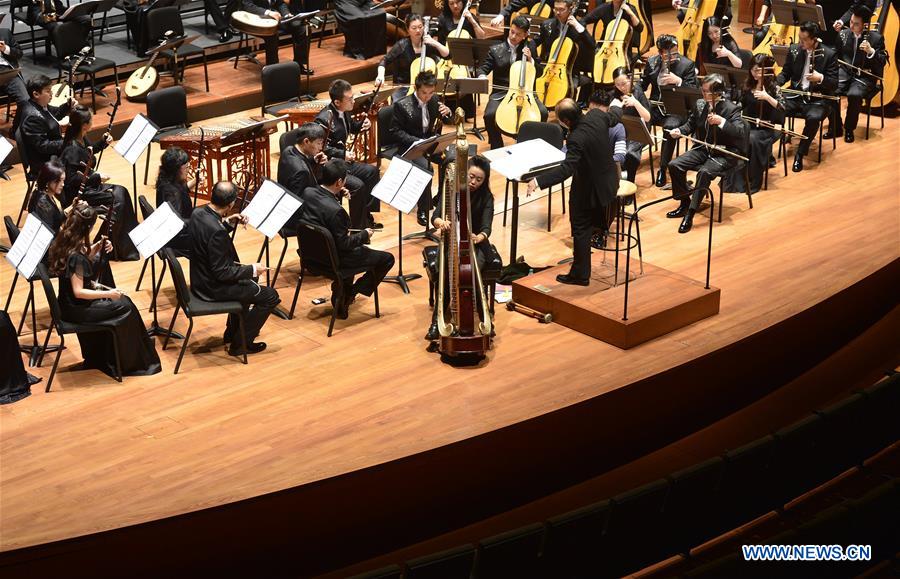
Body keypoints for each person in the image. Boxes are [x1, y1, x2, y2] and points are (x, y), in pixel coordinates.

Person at [47, 203, 161, 378]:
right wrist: (109, 293)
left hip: (70, 304)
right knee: (126, 306)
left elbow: (82, 262)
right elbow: (79, 291)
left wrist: (97, 246)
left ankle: (130, 352)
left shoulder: (66, 240)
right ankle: (128, 361)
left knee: (125, 302)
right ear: (87, 227)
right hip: (77, 310)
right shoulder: (75, 255)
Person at [526, 98, 623, 285]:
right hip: (610, 180)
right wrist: (619, 104)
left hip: (593, 187)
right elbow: (615, 115)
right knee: (584, 222)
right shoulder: (597, 115)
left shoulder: (576, 138)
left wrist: (538, 180)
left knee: (580, 226)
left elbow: (566, 170)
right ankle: (595, 234)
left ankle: (580, 274)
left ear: (566, 121)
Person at [188, 181, 281, 356]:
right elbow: (222, 272)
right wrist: (252, 268)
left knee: (249, 282)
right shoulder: (217, 232)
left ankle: (232, 333)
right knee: (270, 296)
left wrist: (227, 223)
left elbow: (208, 236)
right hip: (212, 288)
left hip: (200, 278)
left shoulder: (198, 212)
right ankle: (241, 344)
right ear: (231, 204)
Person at [299, 160, 394, 320]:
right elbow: (344, 244)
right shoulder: (337, 212)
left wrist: (336, 194)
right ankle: (350, 292)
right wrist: (364, 234)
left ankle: (340, 295)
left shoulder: (307, 192)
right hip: (333, 261)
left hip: (310, 256)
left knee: (353, 249)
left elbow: (322, 209)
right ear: (339, 182)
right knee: (387, 259)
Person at [425, 154, 496, 340]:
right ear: (465, 175)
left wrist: (479, 236)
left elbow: (487, 226)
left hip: (475, 244)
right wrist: (441, 223)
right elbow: (436, 216)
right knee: (446, 273)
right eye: (471, 177)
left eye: (479, 179)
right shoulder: (452, 190)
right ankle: (436, 321)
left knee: (473, 273)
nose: (474, 182)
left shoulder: (487, 197)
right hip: (451, 241)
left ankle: (484, 317)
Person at [667, 73, 747, 234]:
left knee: (704, 173)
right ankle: (684, 202)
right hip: (704, 148)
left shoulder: (732, 109)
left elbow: (740, 132)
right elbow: (690, 125)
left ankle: (690, 213)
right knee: (674, 165)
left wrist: (722, 122)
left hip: (725, 152)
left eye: (706, 92)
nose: (702, 95)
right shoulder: (700, 104)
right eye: (702, 91)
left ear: (718, 93)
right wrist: (679, 130)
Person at [58, 105, 140, 261]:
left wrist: (102, 143)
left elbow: (89, 152)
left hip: (88, 186)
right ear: (84, 125)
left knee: (121, 192)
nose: (92, 121)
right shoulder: (72, 148)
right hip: (80, 193)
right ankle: (112, 246)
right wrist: (97, 177)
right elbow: (70, 180)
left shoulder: (81, 137)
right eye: (90, 119)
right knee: (118, 199)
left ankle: (125, 243)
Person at [315, 79, 381, 229]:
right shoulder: (324, 119)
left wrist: (361, 126)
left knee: (372, 172)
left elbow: (348, 128)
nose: (353, 101)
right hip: (329, 167)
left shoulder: (344, 111)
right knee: (358, 186)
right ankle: (358, 229)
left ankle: (365, 215)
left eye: (353, 96)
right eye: (349, 98)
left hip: (342, 162)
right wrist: (343, 154)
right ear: (337, 102)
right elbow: (321, 148)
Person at [389, 71, 453, 226]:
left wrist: (448, 112)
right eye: (424, 92)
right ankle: (423, 210)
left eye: (431, 93)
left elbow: (447, 119)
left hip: (430, 143)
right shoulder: (402, 105)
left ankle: (439, 198)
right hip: (410, 147)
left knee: (451, 158)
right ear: (416, 89)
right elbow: (395, 132)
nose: (427, 96)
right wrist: (417, 142)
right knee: (426, 168)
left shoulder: (434, 100)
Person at [477, 14, 547, 151]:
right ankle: (497, 145)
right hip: (502, 91)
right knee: (489, 115)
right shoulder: (496, 49)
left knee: (543, 113)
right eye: (512, 32)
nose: (513, 36)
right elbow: (482, 68)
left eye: (518, 34)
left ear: (526, 34)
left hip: (526, 91)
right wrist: (481, 76)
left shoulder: (531, 46)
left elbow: (539, 73)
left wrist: (531, 60)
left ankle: (529, 144)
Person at [775, 20, 838, 172]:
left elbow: (834, 84)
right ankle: (771, 145)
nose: (800, 43)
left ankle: (800, 153)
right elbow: (786, 73)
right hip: (796, 95)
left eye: (804, 40)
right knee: (774, 105)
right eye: (799, 38)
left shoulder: (829, 55)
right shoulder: (795, 50)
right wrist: (776, 84)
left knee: (814, 118)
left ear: (814, 39)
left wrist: (820, 78)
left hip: (818, 99)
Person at [639, 34, 698, 187]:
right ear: (660, 53)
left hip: (677, 109)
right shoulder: (652, 62)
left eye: (675, 52)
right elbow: (642, 86)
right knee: (639, 117)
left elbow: (694, 92)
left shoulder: (687, 65)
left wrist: (678, 81)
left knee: (670, 128)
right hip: (656, 106)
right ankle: (632, 155)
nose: (672, 56)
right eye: (668, 53)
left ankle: (662, 168)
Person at [723, 53, 783, 194]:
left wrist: (768, 98)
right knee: (734, 135)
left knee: (751, 140)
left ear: (766, 70)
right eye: (753, 70)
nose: (754, 73)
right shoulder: (748, 84)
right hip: (749, 125)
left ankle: (753, 181)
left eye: (758, 70)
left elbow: (783, 108)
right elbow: (741, 105)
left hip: (765, 128)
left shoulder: (774, 87)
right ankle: (735, 179)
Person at [827, 5, 887, 143]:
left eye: (856, 24)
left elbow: (882, 62)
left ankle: (849, 128)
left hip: (865, 76)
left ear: (865, 25)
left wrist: (871, 51)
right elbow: (836, 55)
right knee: (829, 89)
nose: (852, 26)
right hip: (845, 72)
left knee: (854, 95)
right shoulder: (843, 34)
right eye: (851, 22)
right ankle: (836, 127)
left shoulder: (876, 39)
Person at [376, 14, 450, 103]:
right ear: (408, 30)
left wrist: (434, 42)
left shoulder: (428, 43)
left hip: (424, 88)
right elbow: (384, 61)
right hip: (404, 87)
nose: (418, 30)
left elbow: (447, 55)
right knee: (401, 109)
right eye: (414, 28)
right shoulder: (402, 45)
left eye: (420, 27)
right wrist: (380, 75)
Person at [587, 89, 626, 249]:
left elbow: (621, 155)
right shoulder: (585, 123)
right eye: (590, 111)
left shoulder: (617, 128)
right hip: (589, 172)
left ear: (608, 111)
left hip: (610, 173)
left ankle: (600, 231)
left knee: (605, 190)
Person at [535, 0, 595, 105]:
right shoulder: (547, 24)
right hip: (549, 68)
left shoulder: (578, 26)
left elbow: (592, 45)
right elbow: (534, 42)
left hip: (570, 71)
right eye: (556, 9)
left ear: (570, 9)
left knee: (567, 94)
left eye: (561, 9)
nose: (558, 13)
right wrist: (533, 57)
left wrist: (577, 26)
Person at [231, 0, 314, 74]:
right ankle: (273, 69)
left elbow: (280, 2)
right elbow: (247, 6)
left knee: (302, 28)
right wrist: (268, 12)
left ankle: (299, 65)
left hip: (274, 18)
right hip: (254, 21)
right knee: (272, 34)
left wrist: (286, 14)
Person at [18, 75, 76, 172]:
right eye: (48, 91)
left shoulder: (39, 105)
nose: (51, 94)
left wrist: (67, 106)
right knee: (78, 157)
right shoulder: (33, 117)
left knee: (80, 150)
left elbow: (54, 114)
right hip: (44, 161)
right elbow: (43, 146)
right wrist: (66, 142)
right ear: (36, 94)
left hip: (51, 153)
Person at [278, 121, 326, 230]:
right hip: (294, 218)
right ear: (306, 141)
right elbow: (300, 203)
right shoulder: (302, 171)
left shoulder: (288, 150)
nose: (321, 148)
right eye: (319, 143)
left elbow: (301, 160)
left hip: (283, 203)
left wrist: (313, 160)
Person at [156, 147, 203, 254]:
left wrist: (195, 181)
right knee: (215, 237)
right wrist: (200, 222)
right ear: (176, 169)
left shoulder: (167, 180)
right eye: (186, 167)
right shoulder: (171, 192)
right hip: (177, 238)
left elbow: (181, 191)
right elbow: (177, 223)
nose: (188, 169)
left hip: (180, 228)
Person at [610, 66, 652, 183]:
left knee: (630, 153)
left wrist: (636, 103)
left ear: (630, 78)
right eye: (617, 85)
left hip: (638, 131)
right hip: (621, 130)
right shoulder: (615, 93)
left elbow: (647, 118)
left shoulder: (638, 91)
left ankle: (630, 182)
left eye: (624, 83)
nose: (621, 87)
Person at [0, 26, 28, 134]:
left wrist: (5, 49)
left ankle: (16, 131)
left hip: (8, 72)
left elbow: (19, 53)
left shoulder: (4, 32)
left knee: (25, 100)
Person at [27, 161, 69, 233]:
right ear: (48, 181)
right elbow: (50, 232)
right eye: (58, 181)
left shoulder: (39, 192)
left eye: (63, 180)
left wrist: (71, 207)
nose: (63, 184)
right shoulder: (44, 205)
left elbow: (55, 218)